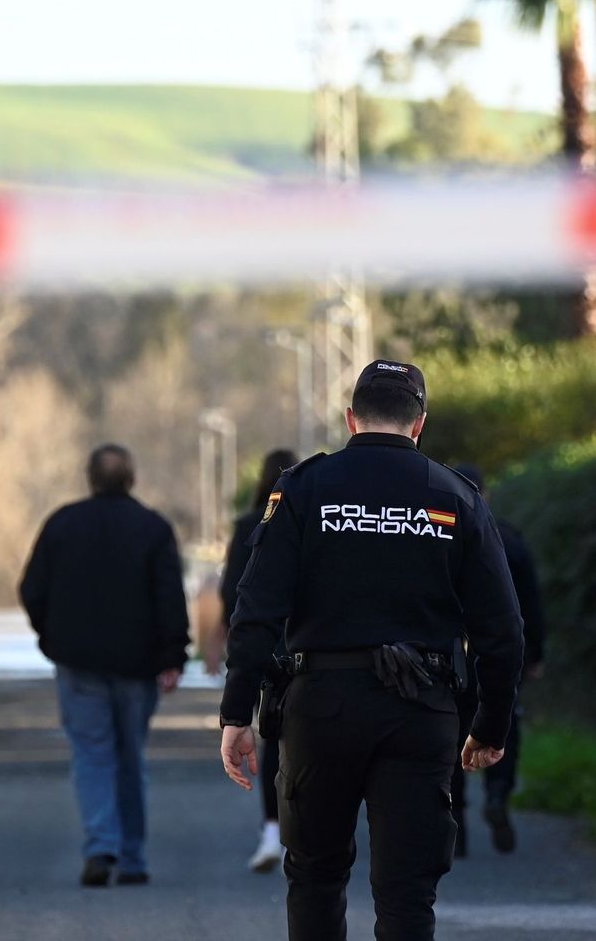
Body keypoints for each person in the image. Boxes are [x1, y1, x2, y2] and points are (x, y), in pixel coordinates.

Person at [219, 359, 524, 941]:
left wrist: (238, 713)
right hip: (421, 710)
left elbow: (256, 610)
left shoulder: (305, 488)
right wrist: (490, 724)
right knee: (408, 891)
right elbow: (503, 628)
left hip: (321, 706)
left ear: (351, 419)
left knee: (314, 876)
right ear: (420, 424)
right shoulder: (454, 496)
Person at [18, 443, 190, 888]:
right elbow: (170, 597)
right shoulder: (153, 529)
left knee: (92, 755)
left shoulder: (61, 525)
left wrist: (51, 639)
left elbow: (32, 589)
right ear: (131, 479)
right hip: (138, 667)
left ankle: (100, 847)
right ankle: (132, 858)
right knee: (131, 757)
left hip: (78, 665)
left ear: (90, 479)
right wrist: (173, 655)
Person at [448, 463, 546, 858]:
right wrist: (534, 653)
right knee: (503, 727)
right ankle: (498, 795)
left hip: (450, 658)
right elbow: (531, 605)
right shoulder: (510, 539)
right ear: (485, 494)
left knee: (451, 734)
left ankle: (455, 823)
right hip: (502, 653)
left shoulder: (435, 534)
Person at [220, 447, 300, 873]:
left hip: (259, 647)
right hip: (302, 647)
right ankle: (299, 832)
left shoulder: (247, 526)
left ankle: (272, 829)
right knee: (302, 740)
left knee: (269, 736)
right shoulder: (310, 517)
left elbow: (233, 590)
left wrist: (227, 648)